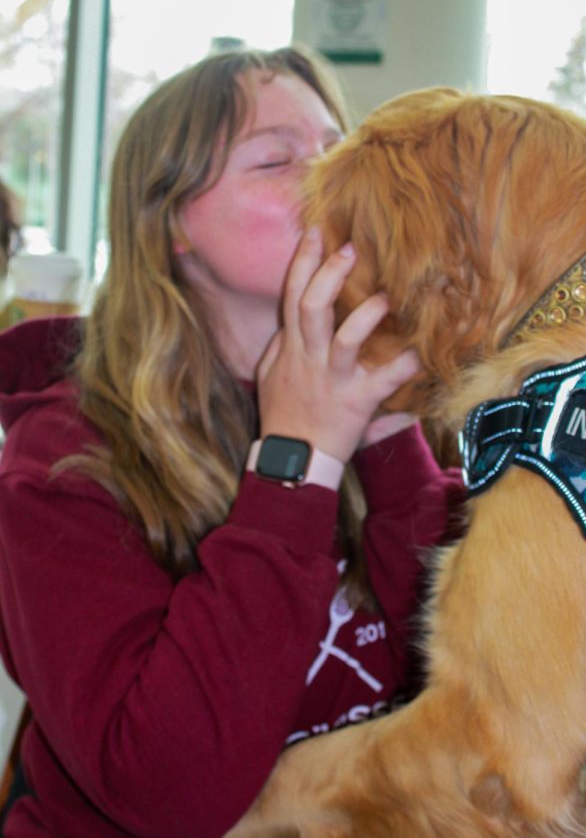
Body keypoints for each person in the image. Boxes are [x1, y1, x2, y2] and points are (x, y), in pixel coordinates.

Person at [0, 47, 463, 837]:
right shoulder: (63, 460)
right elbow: (167, 795)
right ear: (172, 222)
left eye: (337, 147)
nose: (334, 176)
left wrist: (389, 440)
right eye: (277, 159)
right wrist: (300, 465)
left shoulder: (408, 401)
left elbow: (460, 676)